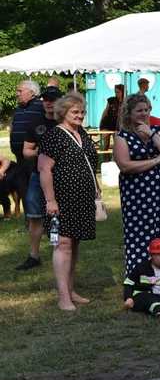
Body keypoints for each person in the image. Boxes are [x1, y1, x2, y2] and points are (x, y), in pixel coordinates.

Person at [38, 93, 97, 311]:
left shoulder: (82, 132)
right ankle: (63, 297)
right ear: (63, 112)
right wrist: (50, 200)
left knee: (74, 244)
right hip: (61, 199)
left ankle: (71, 290)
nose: (80, 115)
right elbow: (44, 169)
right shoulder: (54, 136)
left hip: (82, 199)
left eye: (82, 111)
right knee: (63, 245)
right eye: (75, 112)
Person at [113, 94, 160, 275]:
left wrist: (151, 134)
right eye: (139, 110)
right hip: (136, 197)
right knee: (139, 237)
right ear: (129, 113)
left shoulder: (157, 130)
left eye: (146, 110)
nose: (144, 114)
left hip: (159, 195)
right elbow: (125, 166)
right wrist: (156, 160)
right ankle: (138, 280)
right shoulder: (122, 136)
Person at [16, 86, 62, 271]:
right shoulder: (35, 122)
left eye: (53, 99)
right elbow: (26, 151)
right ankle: (34, 256)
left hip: (62, 177)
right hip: (38, 176)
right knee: (35, 216)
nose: (49, 103)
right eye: (46, 99)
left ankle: (59, 253)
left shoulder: (66, 122)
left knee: (59, 217)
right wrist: (40, 152)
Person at [9, 80, 44, 224]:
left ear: (32, 93)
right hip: (20, 157)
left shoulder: (40, 107)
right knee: (22, 187)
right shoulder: (19, 108)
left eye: (20, 91)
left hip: (34, 157)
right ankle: (29, 219)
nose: (17, 94)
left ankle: (40, 218)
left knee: (35, 188)